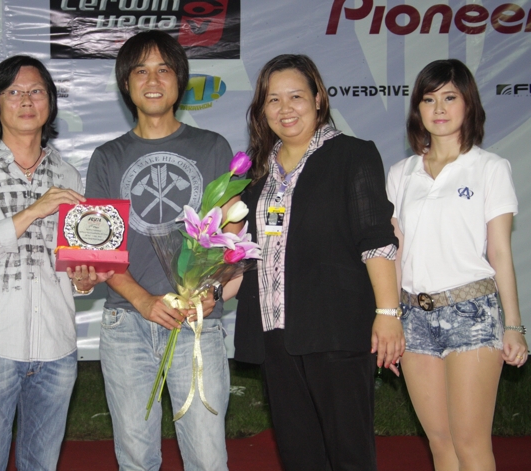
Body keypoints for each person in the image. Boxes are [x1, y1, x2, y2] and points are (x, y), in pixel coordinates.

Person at [230, 54, 404, 471]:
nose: (285, 109)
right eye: (273, 100)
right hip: (275, 334)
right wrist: (208, 288)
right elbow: (243, 250)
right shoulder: (255, 174)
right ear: (262, 109)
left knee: (350, 455)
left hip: (336, 331)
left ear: (318, 99)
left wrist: (388, 313)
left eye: (296, 96)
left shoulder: (352, 155)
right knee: (299, 455)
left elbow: (376, 241)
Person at [0, 55, 111, 471]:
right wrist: (34, 210)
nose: (25, 100)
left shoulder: (68, 175)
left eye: (36, 91)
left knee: (42, 463)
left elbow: (68, 261)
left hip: (56, 346)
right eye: (13, 92)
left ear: (50, 104)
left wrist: (84, 280)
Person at [85, 30, 237, 471]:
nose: (152, 80)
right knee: (136, 459)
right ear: (126, 83)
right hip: (127, 324)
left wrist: (211, 288)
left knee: (207, 458)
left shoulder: (212, 147)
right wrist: (143, 301)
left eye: (164, 69)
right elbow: (101, 248)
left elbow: (230, 234)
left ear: (180, 80)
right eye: (141, 71)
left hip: (195, 323)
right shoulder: (107, 157)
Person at [387, 59, 528, 471]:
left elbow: (500, 252)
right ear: (417, 108)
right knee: (441, 442)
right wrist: (391, 319)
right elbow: (395, 253)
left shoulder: (490, 168)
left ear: (469, 103)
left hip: (472, 313)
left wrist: (514, 326)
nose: (439, 108)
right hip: (413, 316)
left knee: (471, 443)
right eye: (429, 99)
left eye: (450, 97)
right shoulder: (401, 173)